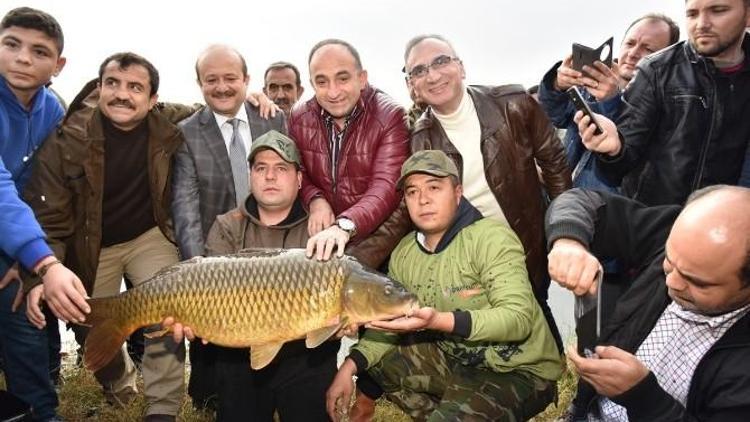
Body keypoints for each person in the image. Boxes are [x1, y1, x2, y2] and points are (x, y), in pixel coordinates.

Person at [327, 150, 562, 421]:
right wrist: (348, 368)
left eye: (434, 188)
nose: (423, 200)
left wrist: (440, 321)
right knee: (379, 363)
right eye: (412, 192)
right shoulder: (404, 253)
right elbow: (388, 327)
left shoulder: (492, 238)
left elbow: (518, 318)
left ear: (458, 192)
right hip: (456, 360)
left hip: (518, 369)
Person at [23, 52, 195, 422]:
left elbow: (212, 105)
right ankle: (121, 391)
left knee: (168, 308)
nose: (122, 95)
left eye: (136, 88)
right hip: (90, 244)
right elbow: (47, 217)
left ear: (152, 101)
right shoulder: (68, 139)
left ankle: (162, 407)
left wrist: (252, 97)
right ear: (99, 87)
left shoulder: (167, 122)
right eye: (113, 84)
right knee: (88, 318)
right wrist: (41, 271)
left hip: (148, 234)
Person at [545, 185, 750, 420]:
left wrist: (646, 400)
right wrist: (569, 241)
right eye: (669, 260)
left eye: (697, 282)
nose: (671, 281)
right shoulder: (679, 235)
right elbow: (583, 201)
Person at [172, 44, 286, 411]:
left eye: (230, 79)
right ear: (199, 83)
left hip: (270, 247)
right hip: (215, 247)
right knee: (209, 340)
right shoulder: (187, 132)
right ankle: (206, 399)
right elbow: (186, 207)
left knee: (271, 321)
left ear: (247, 80)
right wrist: (196, 269)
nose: (222, 87)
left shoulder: (271, 117)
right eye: (212, 80)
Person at [577, 0, 750, 205]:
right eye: (692, 14)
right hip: (653, 221)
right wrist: (614, 149)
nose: (702, 23)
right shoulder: (657, 70)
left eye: (718, 10)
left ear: (747, 15)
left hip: (724, 223)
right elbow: (619, 166)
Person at [0, 7, 67, 420]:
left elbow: (44, 191)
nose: (24, 58)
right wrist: (43, 261)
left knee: (26, 325)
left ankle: (41, 413)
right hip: (20, 236)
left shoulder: (53, 111)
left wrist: (24, 261)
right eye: (12, 45)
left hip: (15, 241)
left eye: (39, 51)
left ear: (57, 66)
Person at [288, 38, 410, 264]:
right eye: (322, 82)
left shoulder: (390, 116)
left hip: (380, 244)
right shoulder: (298, 118)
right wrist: (315, 199)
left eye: (342, 79)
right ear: (312, 84)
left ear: (362, 78)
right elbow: (298, 171)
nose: (333, 92)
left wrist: (344, 225)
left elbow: (385, 186)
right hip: (321, 242)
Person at [538, 13, 678, 191]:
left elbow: (625, 153)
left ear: (667, 57)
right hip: (564, 195)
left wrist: (610, 100)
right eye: (630, 43)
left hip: (606, 208)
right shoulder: (593, 82)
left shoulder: (669, 104)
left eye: (648, 49)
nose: (633, 53)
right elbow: (555, 116)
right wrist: (557, 84)